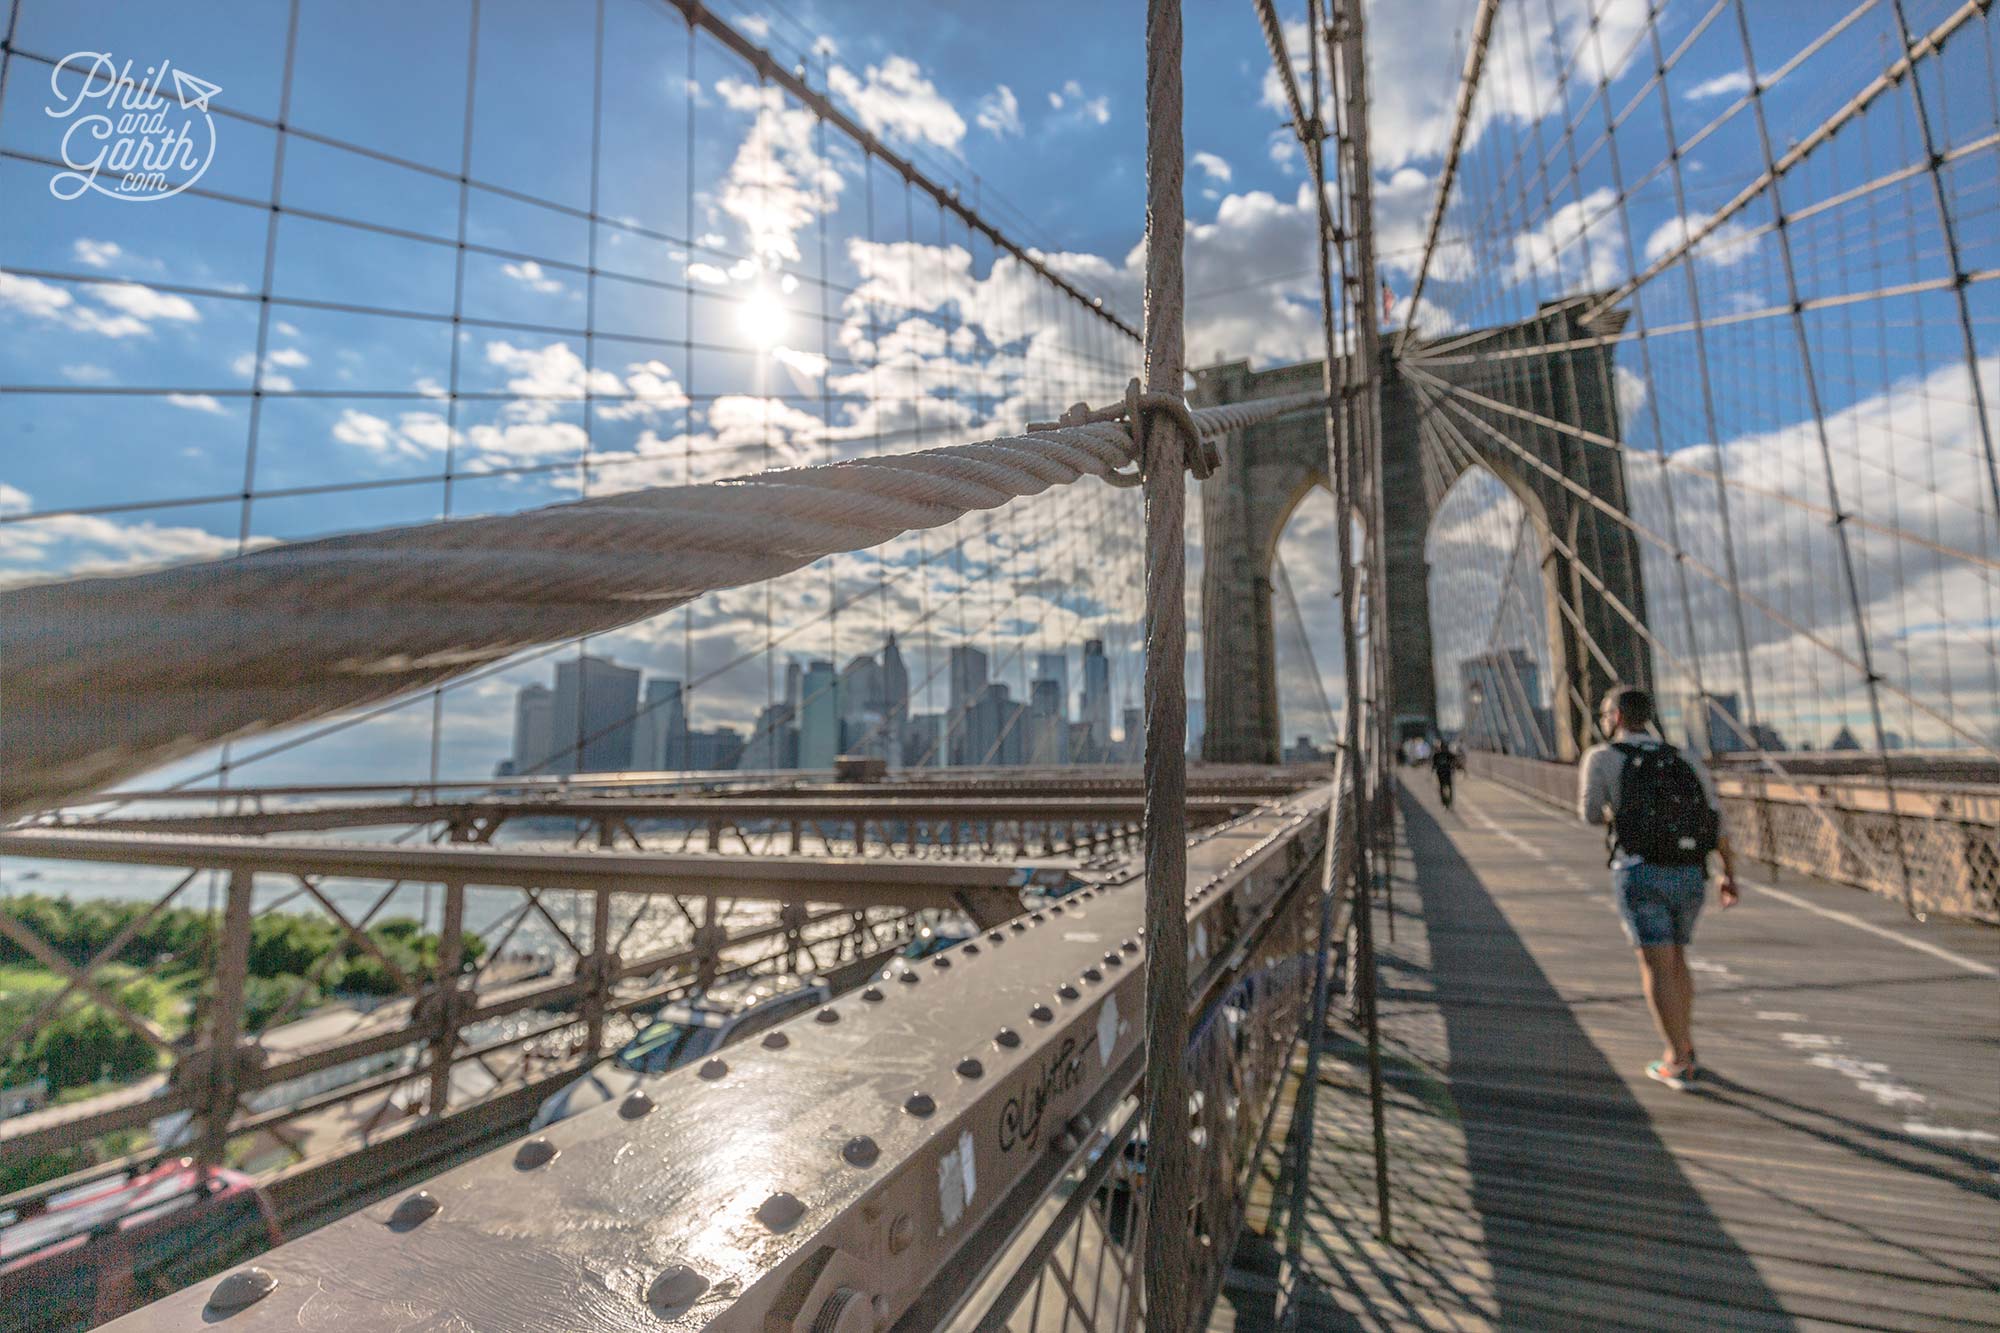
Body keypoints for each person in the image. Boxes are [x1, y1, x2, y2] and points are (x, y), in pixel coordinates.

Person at [1578, 686, 1738, 1090]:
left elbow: (1591, 815)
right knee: (1677, 958)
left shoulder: (1601, 758)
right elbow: (1714, 819)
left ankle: (1677, 1059)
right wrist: (1729, 873)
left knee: (1656, 964)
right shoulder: (1683, 757)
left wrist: (1625, 812)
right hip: (1690, 872)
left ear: (1615, 717)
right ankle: (1685, 1044)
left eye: (1602, 713)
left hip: (1639, 871)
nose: (1601, 719)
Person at [1430, 736, 1456, 807]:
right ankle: (1449, 801)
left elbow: (1434, 765)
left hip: (1441, 773)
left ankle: (1444, 802)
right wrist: (1452, 767)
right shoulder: (1448, 754)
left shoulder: (1436, 755)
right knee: (1449, 787)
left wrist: (1432, 772)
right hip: (1447, 772)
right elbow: (1454, 759)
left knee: (1442, 787)